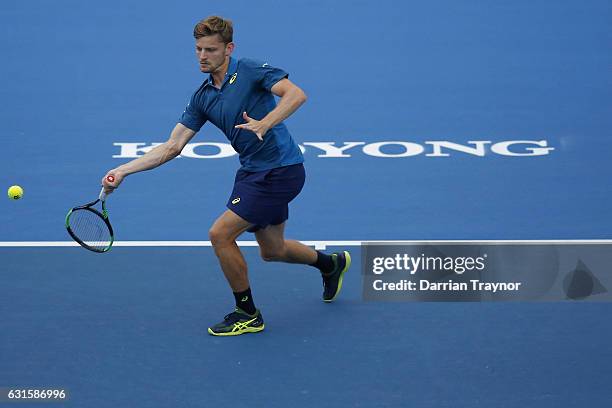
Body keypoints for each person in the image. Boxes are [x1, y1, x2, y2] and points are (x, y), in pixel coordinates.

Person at [101, 16, 351, 336]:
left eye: (211, 49)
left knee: (220, 234)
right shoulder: (202, 97)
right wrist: (122, 170)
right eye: (198, 49)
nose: (202, 56)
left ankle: (247, 313)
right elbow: (172, 146)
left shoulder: (249, 70)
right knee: (272, 250)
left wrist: (265, 122)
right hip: (251, 172)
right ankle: (331, 265)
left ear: (228, 49)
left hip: (281, 171)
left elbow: (295, 95)